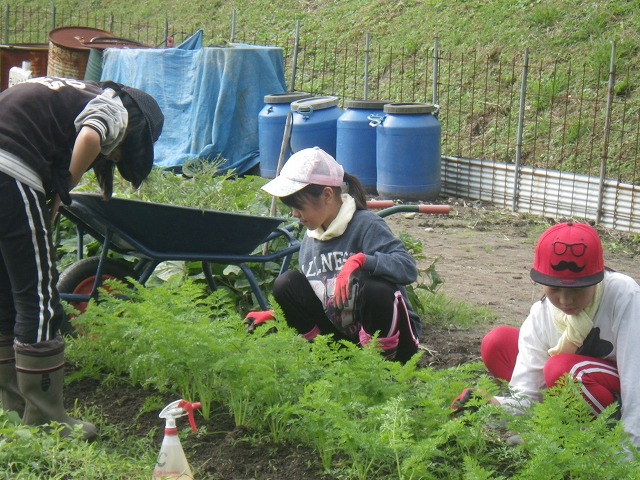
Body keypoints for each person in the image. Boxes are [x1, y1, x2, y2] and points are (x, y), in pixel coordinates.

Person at [0, 76, 164, 440]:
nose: (115, 157)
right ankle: (44, 417)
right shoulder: (116, 107)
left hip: (7, 163)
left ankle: (11, 405)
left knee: (6, 289)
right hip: (10, 168)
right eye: (121, 153)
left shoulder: (72, 90)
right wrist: (65, 186)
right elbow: (91, 136)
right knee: (38, 296)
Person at [451, 222, 640, 450]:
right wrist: (490, 406)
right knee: (497, 343)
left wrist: (630, 452)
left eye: (577, 289)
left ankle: (599, 440)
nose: (566, 301)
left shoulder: (623, 295)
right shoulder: (541, 315)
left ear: (597, 279)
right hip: (574, 388)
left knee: (562, 370)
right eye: (555, 289)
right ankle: (556, 430)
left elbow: (635, 378)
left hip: (618, 395)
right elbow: (527, 397)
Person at [245, 146, 421, 363]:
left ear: (327, 195)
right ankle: (326, 360)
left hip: (394, 340)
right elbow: (316, 294)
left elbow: (407, 268)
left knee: (375, 287)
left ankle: (382, 368)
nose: (294, 214)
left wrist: (361, 260)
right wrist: (276, 314)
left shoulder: (366, 225)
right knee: (286, 284)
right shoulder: (311, 238)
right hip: (344, 335)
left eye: (298, 205)